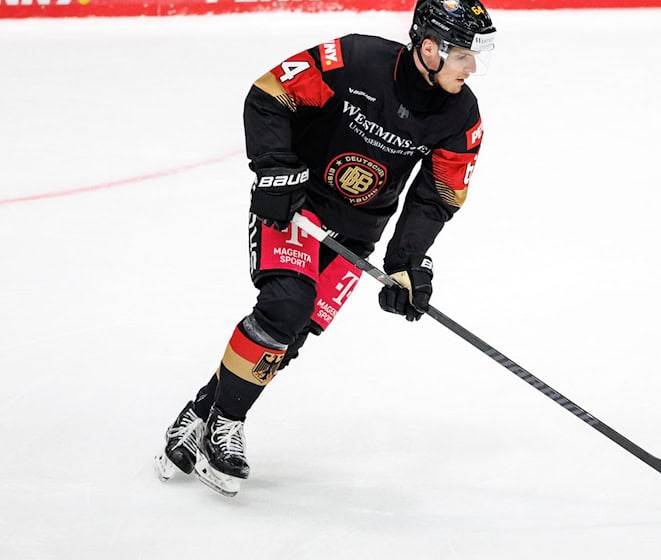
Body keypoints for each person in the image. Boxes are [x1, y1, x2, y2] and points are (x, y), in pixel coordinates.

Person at [153, 0, 497, 497]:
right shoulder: (354, 61)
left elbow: (438, 196)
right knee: (284, 306)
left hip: (355, 233)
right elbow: (271, 94)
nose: (472, 68)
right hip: (298, 207)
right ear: (429, 48)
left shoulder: (461, 115)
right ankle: (225, 423)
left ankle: (201, 412)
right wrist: (275, 168)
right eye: (464, 55)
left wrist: (406, 263)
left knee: (291, 336)